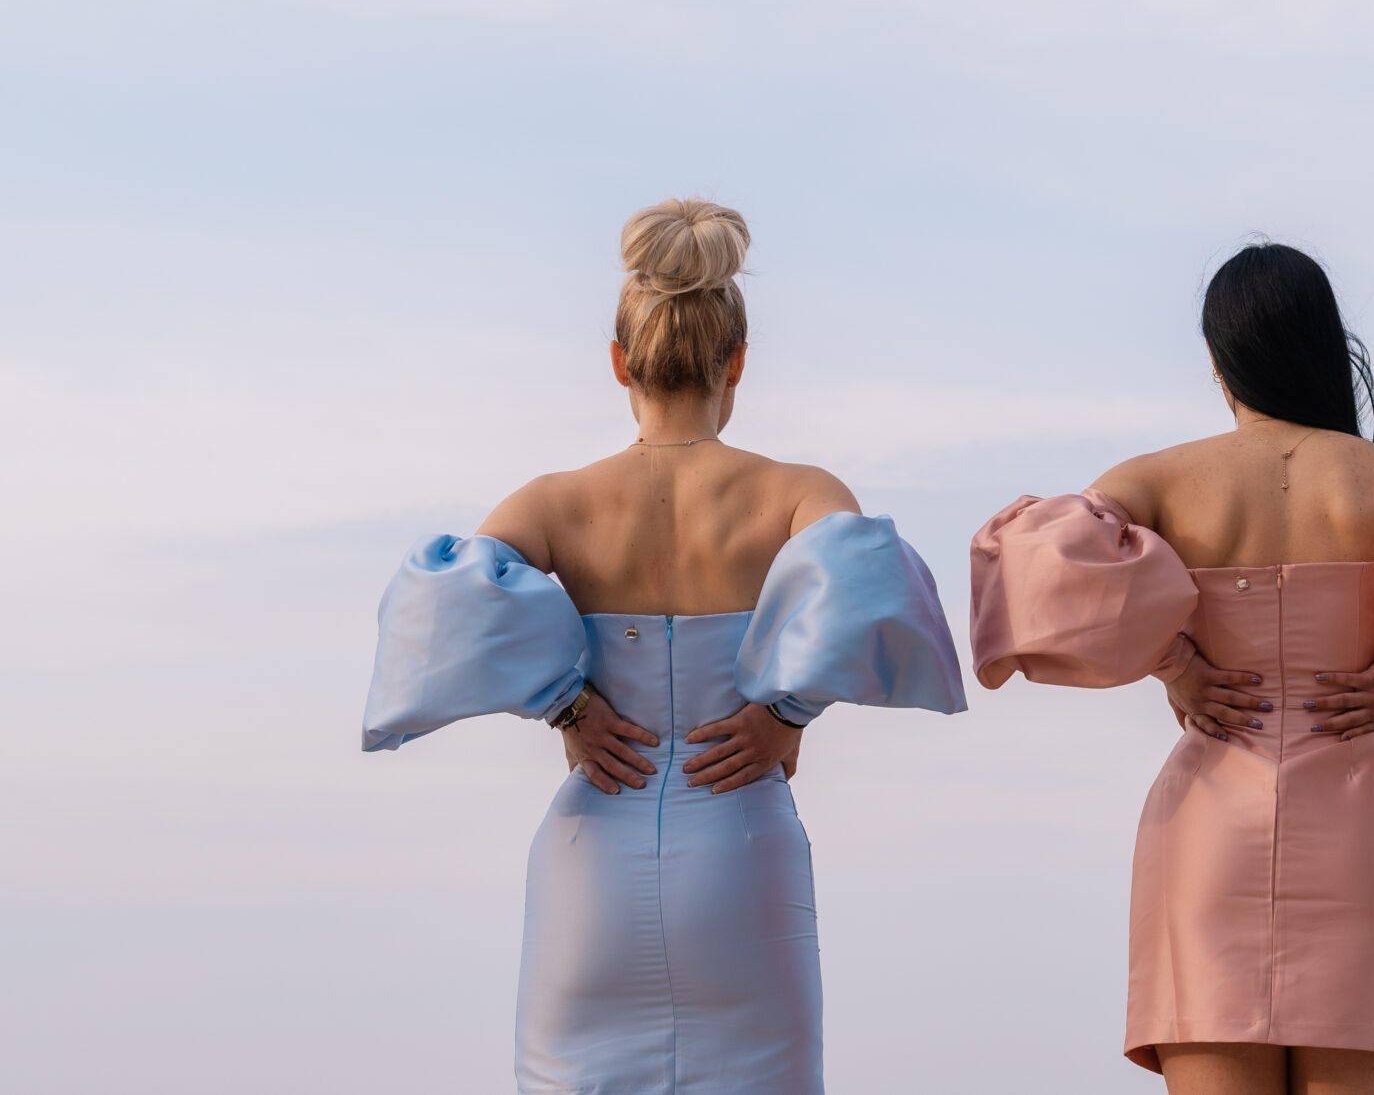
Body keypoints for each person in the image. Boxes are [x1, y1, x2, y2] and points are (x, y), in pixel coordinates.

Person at [969, 242, 1374, 1093]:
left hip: (1210, 823)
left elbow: (1039, 561)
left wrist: (1174, 662)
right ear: (1324, 345)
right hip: (1358, 823)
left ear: (1218, 357)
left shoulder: (1156, 479)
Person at [363, 198, 967, 1095]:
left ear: (619, 361)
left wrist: (565, 703)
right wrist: (786, 709)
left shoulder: (558, 501)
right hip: (742, 847)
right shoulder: (795, 492)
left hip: (594, 857)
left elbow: (444, 600)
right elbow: (871, 586)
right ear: (738, 360)